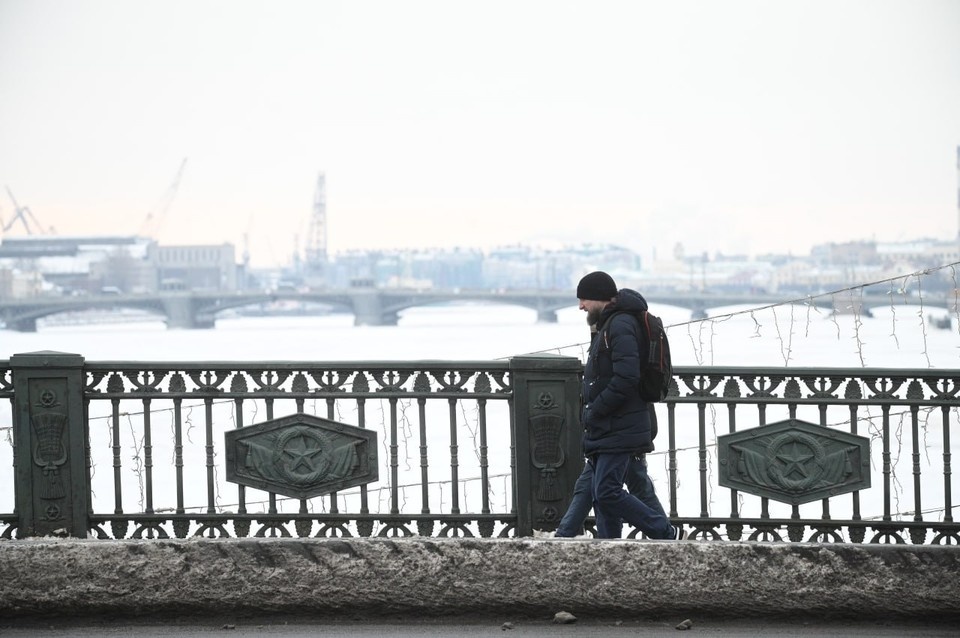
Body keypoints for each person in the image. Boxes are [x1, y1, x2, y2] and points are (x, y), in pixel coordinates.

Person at [573, 270, 684, 540]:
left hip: (619, 422)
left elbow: (626, 376)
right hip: (612, 423)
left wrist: (596, 408)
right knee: (602, 492)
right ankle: (609, 547)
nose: (581, 306)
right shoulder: (609, 324)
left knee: (607, 491)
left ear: (599, 298)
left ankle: (665, 532)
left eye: (584, 299)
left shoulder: (620, 325)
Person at [555, 405, 666, 537]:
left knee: (605, 490)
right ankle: (566, 534)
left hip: (616, 442)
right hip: (609, 442)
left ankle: (668, 534)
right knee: (596, 489)